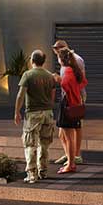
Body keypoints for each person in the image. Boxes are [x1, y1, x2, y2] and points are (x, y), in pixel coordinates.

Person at [13, 49, 58, 183]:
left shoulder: (28, 75)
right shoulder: (50, 76)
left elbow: (21, 95)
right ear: (43, 61)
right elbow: (53, 96)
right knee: (44, 144)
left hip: (33, 113)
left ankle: (32, 173)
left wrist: (16, 112)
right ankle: (43, 170)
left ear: (32, 60)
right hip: (48, 113)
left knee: (30, 144)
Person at [54, 42, 86, 173]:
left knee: (68, 136)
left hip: (68, 104)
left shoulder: (67, 72)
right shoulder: (75, 70)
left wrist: (58, 80)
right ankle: (70, 159)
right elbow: (82, 82)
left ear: (62, 59)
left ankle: (71, 163)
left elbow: (66, 86)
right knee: (64, 134)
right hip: (75, 103)